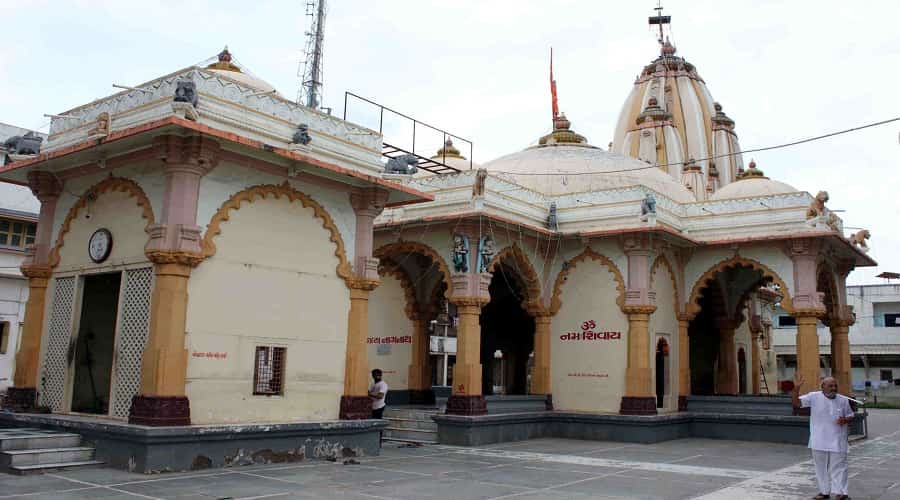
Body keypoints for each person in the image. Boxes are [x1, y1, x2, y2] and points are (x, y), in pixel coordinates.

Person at [792, 373, 855, 500]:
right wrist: (796, 388)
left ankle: (841, 493)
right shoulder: (814, 397)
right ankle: (824, 492)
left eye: (835, 386)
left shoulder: (843, 400)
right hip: (819, 439)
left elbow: (851, 415)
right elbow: (797, 403)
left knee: (839, 467)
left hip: (838, 439)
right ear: (823, 387)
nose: (833, 388)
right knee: (820, 468)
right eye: (830, 386)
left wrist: (846, 420)